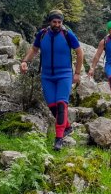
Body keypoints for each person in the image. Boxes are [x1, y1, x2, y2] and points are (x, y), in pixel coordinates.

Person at [20, 10, 84, 151]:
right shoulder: (42, 34)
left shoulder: (67, 34)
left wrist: (77, 73)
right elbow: (34, 50)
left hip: (65, 75)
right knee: (52, 106)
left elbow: (80, 53)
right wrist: (25, 61)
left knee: (61, 104)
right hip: (47, 76)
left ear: (62, 22)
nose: (57, 25)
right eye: (54, 22)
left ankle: (58, 139)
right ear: (50, 22)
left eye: (59, 22)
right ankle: (67, 127)